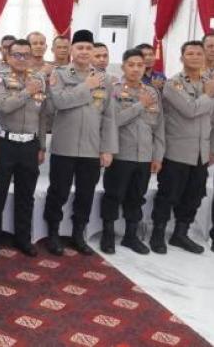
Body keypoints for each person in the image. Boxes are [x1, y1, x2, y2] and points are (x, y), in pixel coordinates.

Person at [44, 29, 117, 256]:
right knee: (58, 192)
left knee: (86, 194)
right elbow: (60, 102)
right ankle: (53, 233)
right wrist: (87, 86)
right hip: (64, 146)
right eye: (80, 47)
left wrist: (107, 148)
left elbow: (109, 116)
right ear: (71, 50)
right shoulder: (59, 74)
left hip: (91, 148)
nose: (84, 51)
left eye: (88, 48)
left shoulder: (105, 80)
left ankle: (78, 234)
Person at [0, 39, 47, 257]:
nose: (21, 59)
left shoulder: (39, 79)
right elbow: (4, 106)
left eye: (26, 55)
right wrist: (27, 91)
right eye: (16, 55)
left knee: (26, 195)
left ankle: (23, 238)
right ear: (8, 57)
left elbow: (42, 116)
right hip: (4, 143)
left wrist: (42, 145)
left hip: (30, 144)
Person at [150, 41, 214, 255]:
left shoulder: (208, 82)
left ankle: (180, 234)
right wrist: (209, 95)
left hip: (201, 153)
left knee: (194, 196)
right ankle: (157, 233)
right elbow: (190, 110)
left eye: (199, 53)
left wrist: (211, 148)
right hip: (177, 151)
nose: (195, 57)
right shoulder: (174, 84)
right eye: (190, 53)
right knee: (168, 195)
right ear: (182, 58)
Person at [99, 49, 164, 255]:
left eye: (140, 65)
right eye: (131, 65)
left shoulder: (152, 92)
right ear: (123, 67)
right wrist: (140, 105)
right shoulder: (115, 90)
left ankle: (130, 236)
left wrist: (157, 156)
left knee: (137, 197)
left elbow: (159, 127)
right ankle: (108, 234)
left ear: (145, 67)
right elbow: (113, 121)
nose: (136, 69)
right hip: (121, 154)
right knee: (113, 195)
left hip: (144, 156)